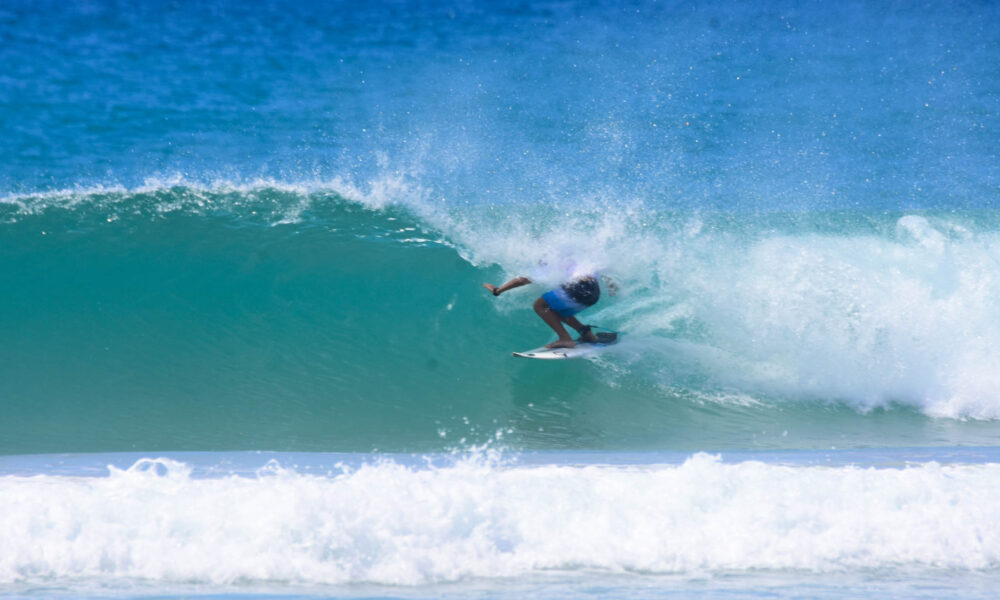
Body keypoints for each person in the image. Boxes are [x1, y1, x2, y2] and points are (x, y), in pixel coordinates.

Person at [483, 272, 608, 349]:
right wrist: (612, 285)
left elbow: (525, 279)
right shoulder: (580, 256)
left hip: (578, 289)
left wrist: (498, 291)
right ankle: (587, 333)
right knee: (553, 308)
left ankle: (565, 339)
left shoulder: (552, 258)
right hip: (594, 293)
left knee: (540, 306)